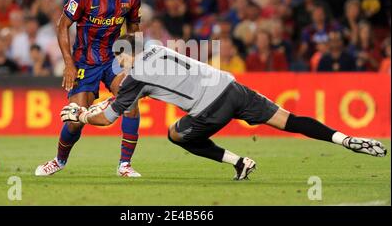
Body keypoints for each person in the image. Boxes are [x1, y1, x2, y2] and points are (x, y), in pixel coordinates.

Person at [61, 35, 387, 180]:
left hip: (210, 107)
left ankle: (238, 160)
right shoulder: (158, 49)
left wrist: (81, 115)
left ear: (128, 55)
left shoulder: (134, 77)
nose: (120, 66)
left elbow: (107, 118)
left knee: (176, 134)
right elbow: (133, 94)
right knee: (290, 120)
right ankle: (344, 139)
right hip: (232, 87)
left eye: (121, 60)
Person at [35, 0, 143, 177]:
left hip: (112, 60)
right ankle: (59, 160)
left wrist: (133, 57)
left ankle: (125, 165)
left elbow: (134, 28)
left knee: (130, 101)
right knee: (75, 119)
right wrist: (69, 64)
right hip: (84, 62)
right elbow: (62, 25)